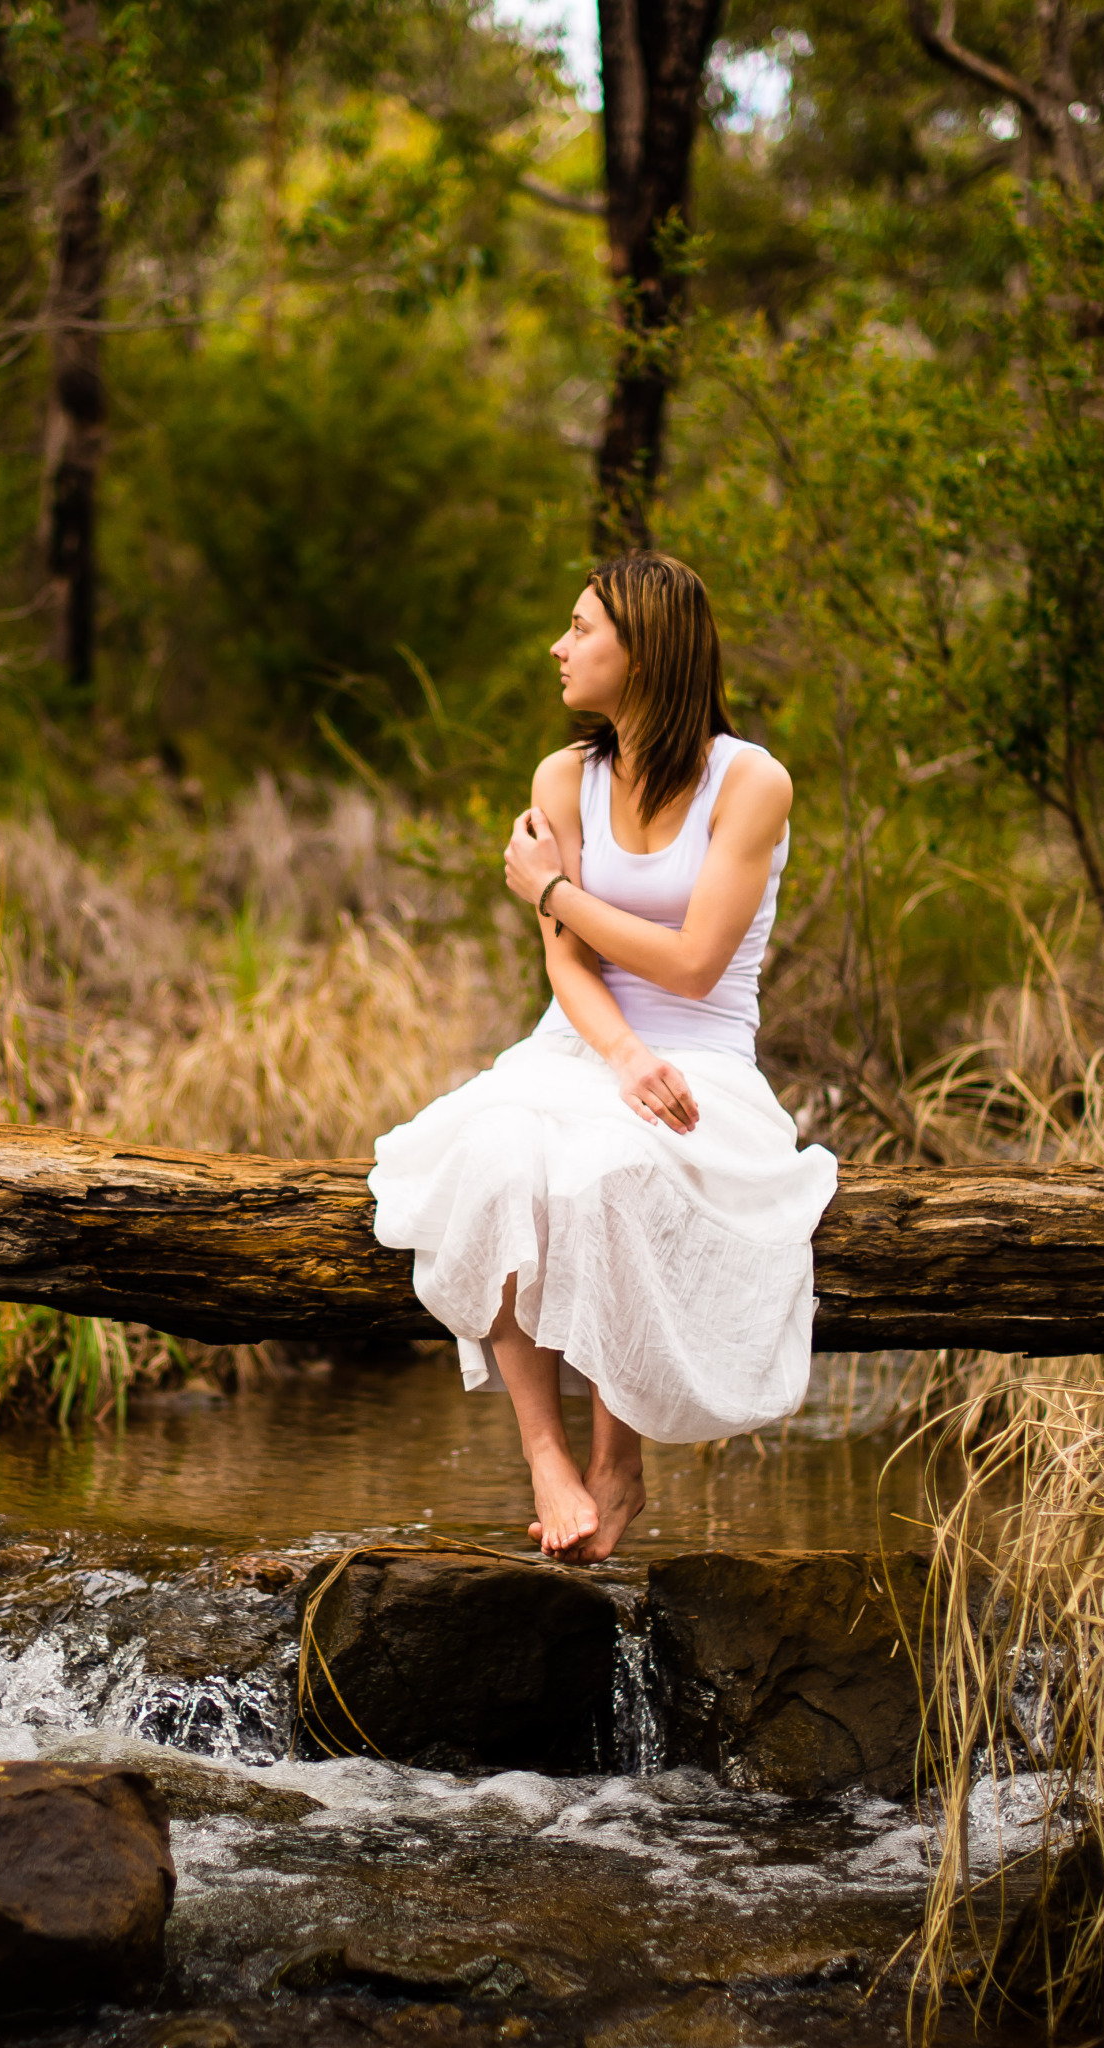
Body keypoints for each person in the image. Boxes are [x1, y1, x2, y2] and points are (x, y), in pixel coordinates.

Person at [368, 552, 838, 1563]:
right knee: (495, 1153)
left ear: (644, 649)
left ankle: (616, 1455)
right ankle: (544, 1452)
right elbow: (567, 964)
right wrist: (616, 1051)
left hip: (702, 1052)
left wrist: (548, 889)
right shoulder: (561, 776)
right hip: (580, 1042)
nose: (558, 645)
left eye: (581, 628)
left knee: (613, 1170)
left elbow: (691, 959)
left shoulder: (748, 779)